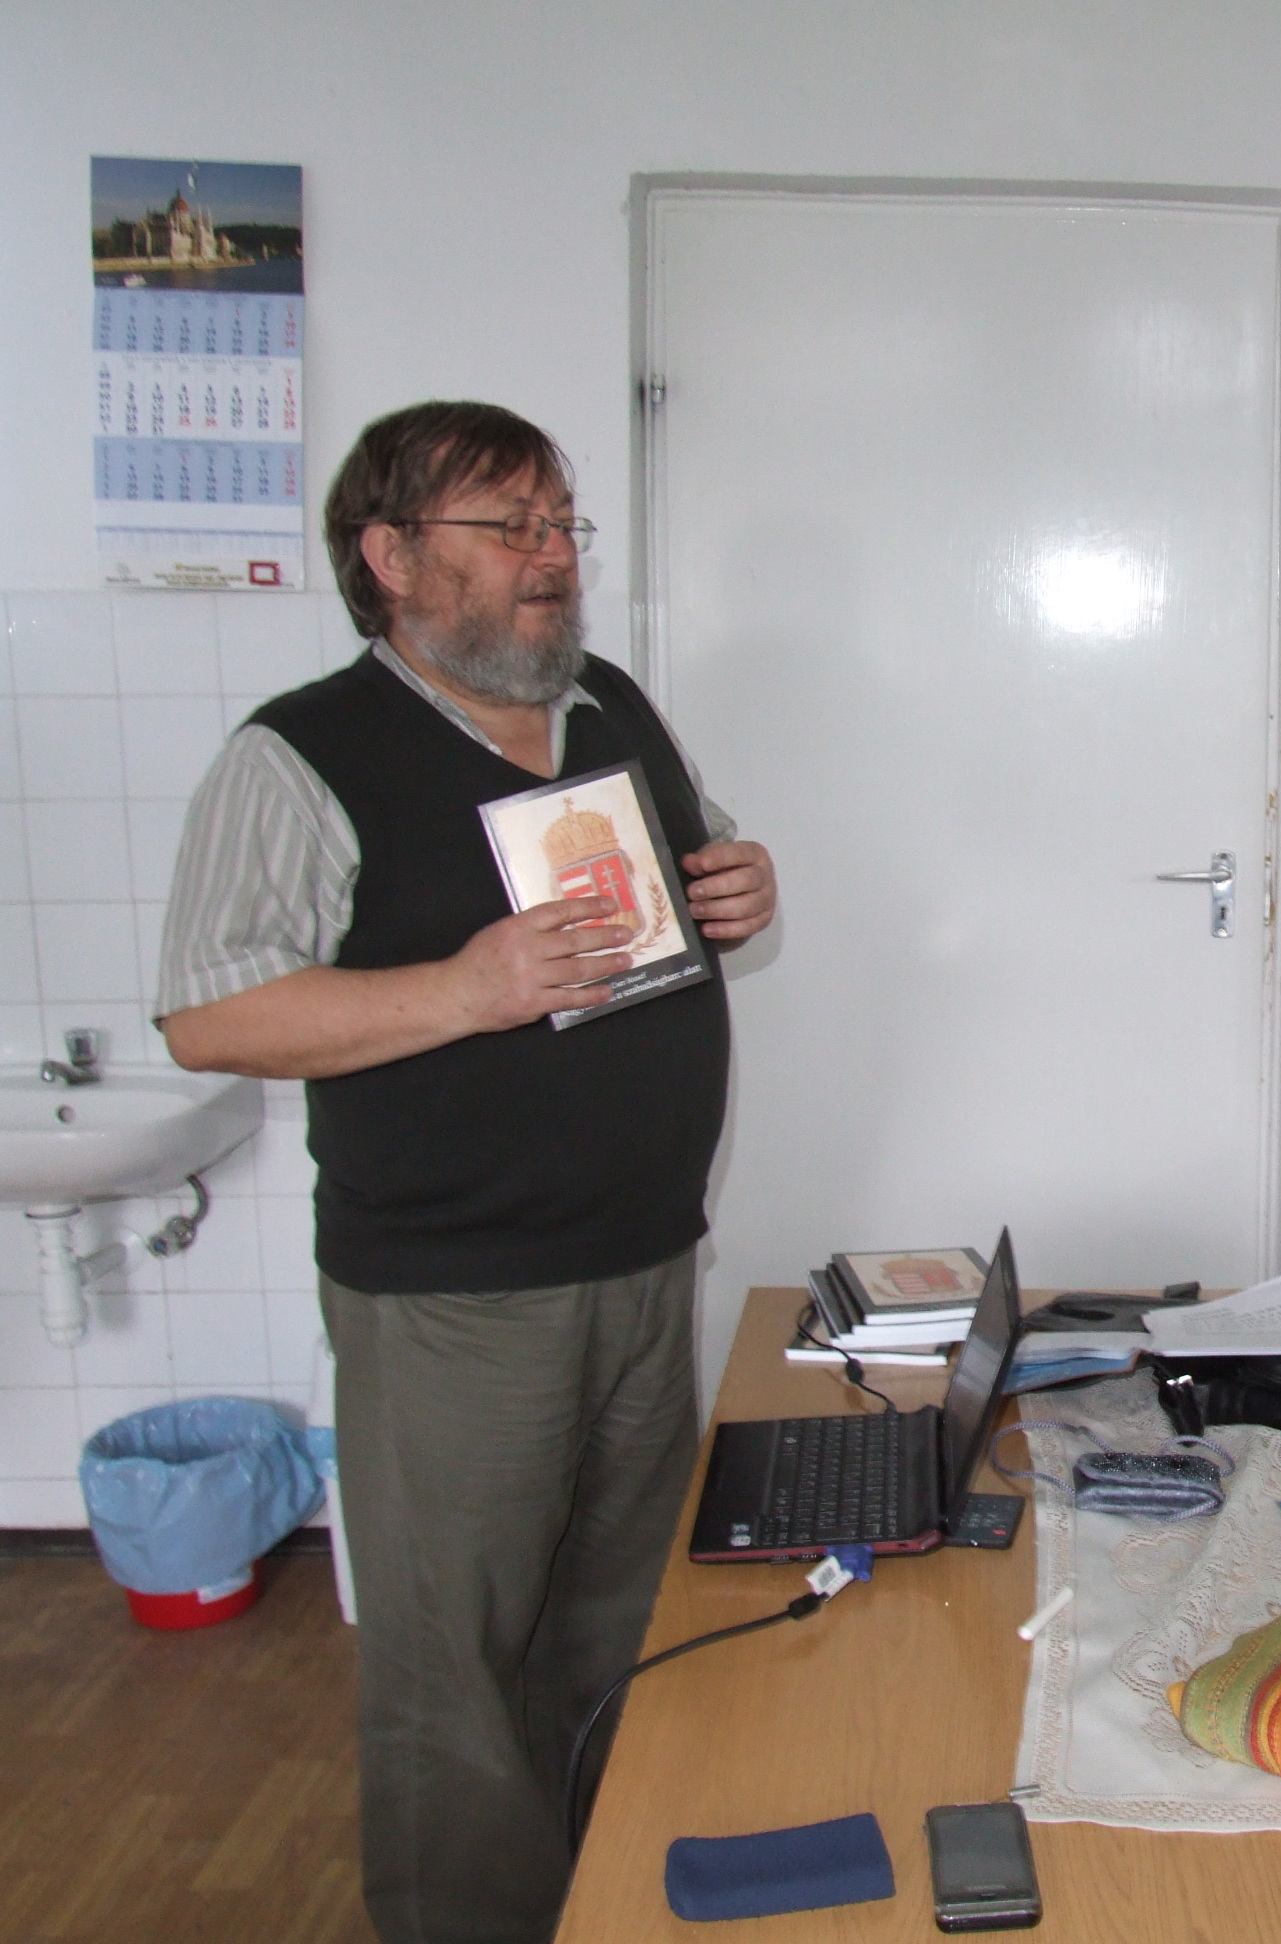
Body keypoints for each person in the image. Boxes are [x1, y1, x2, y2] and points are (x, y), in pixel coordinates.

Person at [155, 401, 777, 1944]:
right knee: (458, 1677)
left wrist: (742, 886)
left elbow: (702, 859)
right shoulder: (302, 754)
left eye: (560, 523)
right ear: (389, 555)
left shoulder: (608, 704)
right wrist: (463, 989)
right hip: (453, 1303)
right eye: (510, 527)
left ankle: (609, 1906)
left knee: (621, 1633)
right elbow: (211, 1015)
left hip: (645, 1263)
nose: (552, 556)